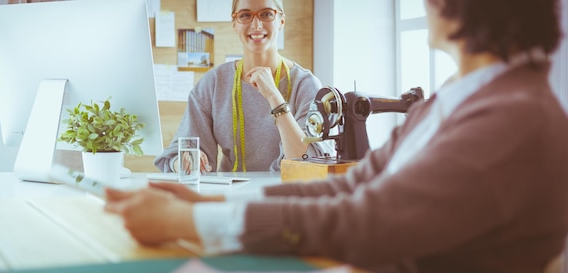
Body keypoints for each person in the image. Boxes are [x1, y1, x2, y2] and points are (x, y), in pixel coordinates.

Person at [106, 0, 568, 272]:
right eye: (244, 15)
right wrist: (206, 205)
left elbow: (367, 221)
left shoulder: (515, 121)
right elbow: (351, 184)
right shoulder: (451, 102)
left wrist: (184, 224)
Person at [153, 0, 332, 173]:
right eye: (245, 15)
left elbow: (307, 161)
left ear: (281, 21)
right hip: (231, 194)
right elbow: (178, 153)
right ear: (234, 23)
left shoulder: (305, 84)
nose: (256, 24)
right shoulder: (214, 83)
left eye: (267, 14)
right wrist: (185, 161)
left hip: (286, 196)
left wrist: (274, 97)